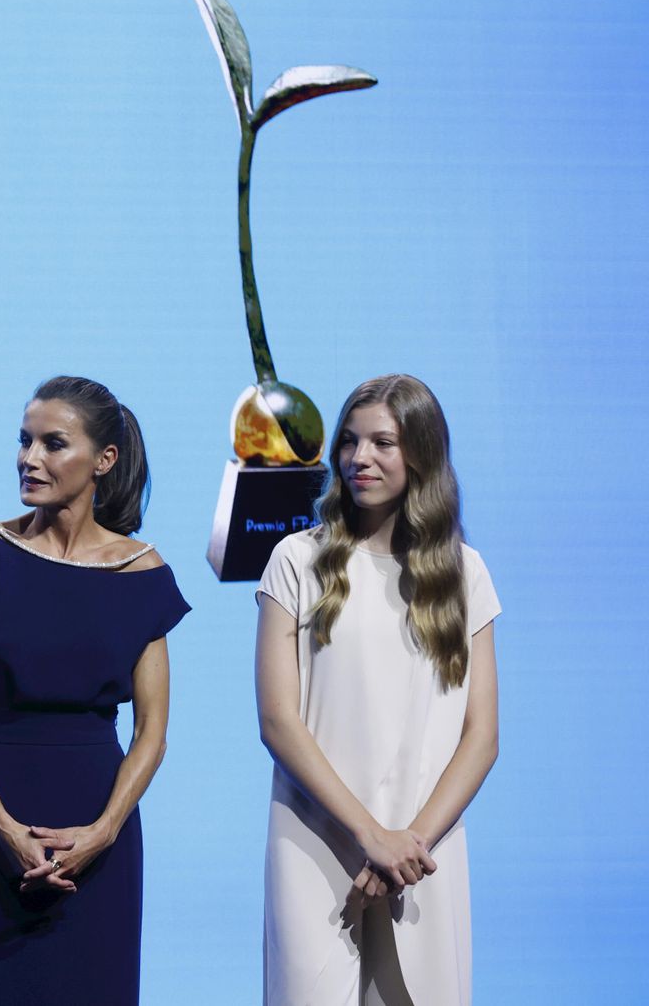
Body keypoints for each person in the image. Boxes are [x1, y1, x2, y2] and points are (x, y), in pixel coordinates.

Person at [0, 376, 189, 1006]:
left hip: (99, 835)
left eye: (53, 443)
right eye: (25, 441)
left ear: (104, 460)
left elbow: (151, 733)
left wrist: (104, 831)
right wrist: (0, 827)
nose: (29, 458)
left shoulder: (143, 573)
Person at [256, 374, 500, 1005]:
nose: (358, 458)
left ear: (421, 453)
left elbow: (481, 737)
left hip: (424, 853)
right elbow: (278, 721)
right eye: (349, 441)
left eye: (382, 443)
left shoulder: (465, 574)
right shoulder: (296, 559)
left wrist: (407, 845)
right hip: (315, 841)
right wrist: (370, 836)